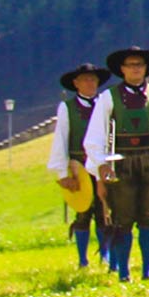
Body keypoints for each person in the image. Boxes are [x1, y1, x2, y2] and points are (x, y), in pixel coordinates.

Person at [86, 47, 149, 282]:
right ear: (122, 69)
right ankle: (125, 271)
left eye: (139, 64)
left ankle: (148, 270)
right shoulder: (109, 97)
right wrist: (100, 164)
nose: (135, 68)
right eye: (130, 65)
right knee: (123, 217)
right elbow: (96, 133)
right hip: (121, 162)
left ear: (145, 68)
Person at [46, 62, 114, 271]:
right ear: (76, 83)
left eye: (93, 79)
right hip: (80, 166)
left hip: (102, 165)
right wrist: (61, 172)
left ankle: (106, 256)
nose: (89, 83)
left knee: (105, 210)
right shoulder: (67, 108)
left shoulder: (106, 104)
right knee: (83, 211)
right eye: (85, 79)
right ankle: (83, 259)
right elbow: (61, 138)